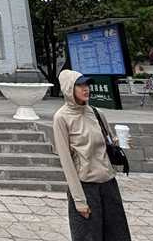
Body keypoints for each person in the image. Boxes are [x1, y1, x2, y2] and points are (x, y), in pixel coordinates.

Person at [53, 70, 131, 241]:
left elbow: (109, 142)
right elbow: (66, 161)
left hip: (108, 184)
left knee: (117, 235)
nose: (85, 89)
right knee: (89, 237)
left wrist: (119, 142)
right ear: (69, 89)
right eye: (80, 85)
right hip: (86, 186)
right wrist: (79, 200)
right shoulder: (62, 118)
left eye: (87, 84)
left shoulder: (96, 113)